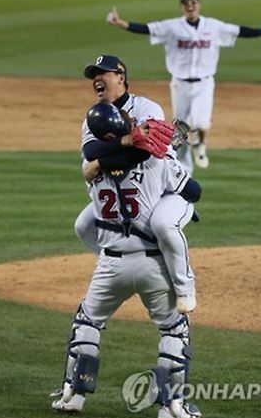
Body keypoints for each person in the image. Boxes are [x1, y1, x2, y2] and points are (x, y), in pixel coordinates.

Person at [50, 100, 201, 418]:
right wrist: (165, 151)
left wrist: (140, 150)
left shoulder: (91, 170)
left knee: (87, 324)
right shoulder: (156, 162)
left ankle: (72, 396)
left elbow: (108, 159)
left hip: (109, 266)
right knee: (174, 328)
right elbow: (193, 190)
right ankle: (171, 407)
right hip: (152, 265)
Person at [107, 0, 261, 172]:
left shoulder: (213, 26)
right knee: (181, 127)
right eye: (186, 3)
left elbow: (240, 31)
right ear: (181, 7)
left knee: (201, 122)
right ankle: (184, 165)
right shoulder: (172, 26)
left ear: (199, 4)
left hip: (204, 83)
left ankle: (200, 146)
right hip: (180, 84)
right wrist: (121, 23)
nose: (190, 6)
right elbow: (147, 28)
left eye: (193, 2)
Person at [74, 55, 200, 314]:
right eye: (93, 76)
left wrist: (101, 163)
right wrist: (125, 142)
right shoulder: (94, 117)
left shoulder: (145, 107)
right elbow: (91, 151)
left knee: (163, 224)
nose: (96, 79)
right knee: (84, 226)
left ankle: (184, 286)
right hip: (131, 188)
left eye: (103, 73)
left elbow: (143, 154)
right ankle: (119, 268)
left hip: (163, 187)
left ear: (121, 77)